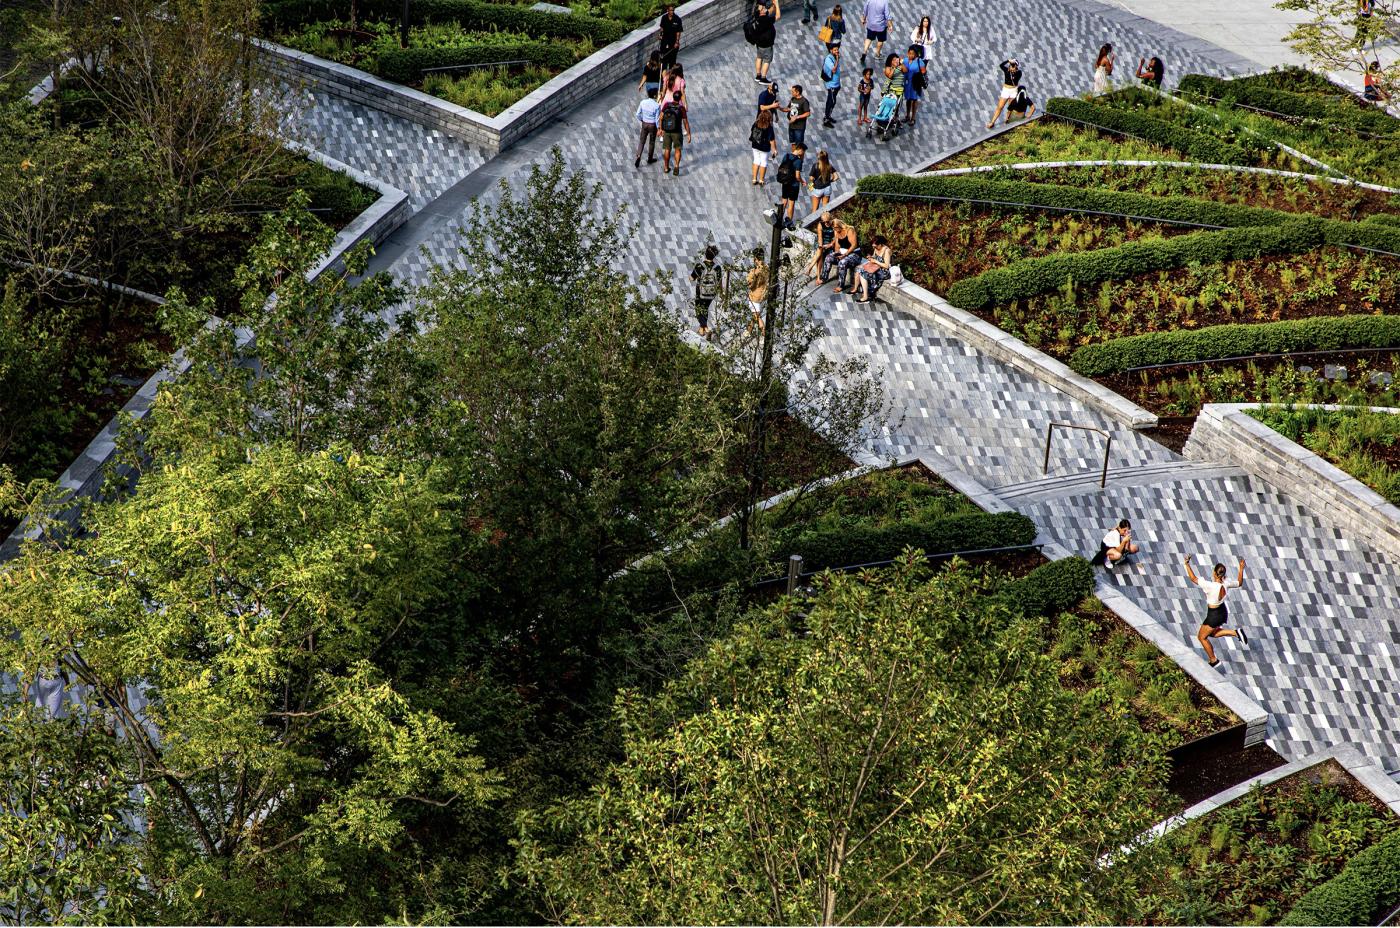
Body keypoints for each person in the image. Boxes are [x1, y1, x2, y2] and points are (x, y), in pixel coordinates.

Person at [1184, 555, 1248, 667]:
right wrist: (1241, 568)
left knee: (1201, 637)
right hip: (1222, 612)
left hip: (1213, 616)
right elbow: (1239, 582)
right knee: (1212, 633)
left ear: (1214, 573)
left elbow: (1193, 578)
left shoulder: (1210, 586)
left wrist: (1186, 564)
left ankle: (1214, 660)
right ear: (1223, 574)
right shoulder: (1226, 583)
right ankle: (1236, 633)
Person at [690, 244, 722, 337]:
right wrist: (721, 292)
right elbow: (719, 282)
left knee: (699, 309)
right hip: (712, 293)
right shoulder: (717, 268)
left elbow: (692, 278)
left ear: (705, 254)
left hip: (701, 293)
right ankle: (701, 330)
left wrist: (691, 277)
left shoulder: (700, 266)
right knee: (705, 309)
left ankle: (706, 328)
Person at [659, 89, 691, 176]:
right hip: (677, 132)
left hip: (667, 131)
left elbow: (661, 117)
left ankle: (666, 167)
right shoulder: (681, 108)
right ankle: (676, 166)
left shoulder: (666, 105)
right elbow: (685, 122)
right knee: (677, 149)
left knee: (667, 149)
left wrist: (660, 129)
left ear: (673, 97)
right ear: (680, 98)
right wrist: (688, 134)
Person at [986, 56, 1023, 128]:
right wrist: (1008, 61)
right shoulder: (1006, 70)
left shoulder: (1019, 73)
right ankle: (992, 122)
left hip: (1013, 90)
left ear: (1016, 67)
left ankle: (1007, 120)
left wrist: (1013, 69)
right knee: (1000, 107)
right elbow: (1001, 65)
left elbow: (1015, 79)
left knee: (1010, 107)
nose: (1012, 70)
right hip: (1006, 90)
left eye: (1014, 68)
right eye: (1011, 67)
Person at [776, 141, 806, 227]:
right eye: (803, 151)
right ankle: (789, 221)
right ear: (800, 150)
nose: (803, 153)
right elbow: (797, 176)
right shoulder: (799, 161)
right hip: (794, 185)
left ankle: (779, 218)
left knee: (784, 201)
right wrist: (802, 181)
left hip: (785, 182)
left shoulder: (787, 155)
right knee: (791, 203)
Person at [854, 233, 891, 303]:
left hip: (883, 271)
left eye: (876, 246)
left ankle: (865, 296)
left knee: (863, 273)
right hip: (876, 267)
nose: (874, 248)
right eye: (873, 246)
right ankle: (859, 289)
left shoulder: (886, 251)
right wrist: (870, 258)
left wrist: (875, 261)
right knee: (859, 269)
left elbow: (886, 265)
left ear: (880, 244)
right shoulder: (876, 248)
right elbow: (874, 257)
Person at [825, 219, 860, 290]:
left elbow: (854, 245)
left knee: (842, 262)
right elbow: (837, 246)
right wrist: (837, 253)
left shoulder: (849, 230)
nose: (834, 229)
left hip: (854, 254)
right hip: (843, 253)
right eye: (833, 228)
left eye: (835, 228)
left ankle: (840, 285)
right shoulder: (836, 232)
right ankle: (824, 278)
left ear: (840, 225)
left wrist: (845, 255)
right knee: (828, 257)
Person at [753, 0, 780, 84]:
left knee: (759, 57)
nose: (765, 8)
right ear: (761, 11)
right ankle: (763, 78)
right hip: (767, 44)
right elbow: (778, 16)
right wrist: (777, 4)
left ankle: (758, 76)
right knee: (767, 60)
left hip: (759, 43)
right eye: (763, 8)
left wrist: (773, 5)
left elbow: (770, 11)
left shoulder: (757, 15)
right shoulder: (766, 20)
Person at [633, 88, 661, 168]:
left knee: (642, 141)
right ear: (655, 95)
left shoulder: (643, 102)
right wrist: (658, 128)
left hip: (644, 124)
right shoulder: (657, 106)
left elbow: (638, 114)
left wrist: (642, 120)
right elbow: (657, 119)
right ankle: (650, 158)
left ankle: (638, 155)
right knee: (651, 142)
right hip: (652, 125)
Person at [806, 211, 837, 281]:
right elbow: (820, 237)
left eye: (827, 221)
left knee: (820, 253)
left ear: (830, 219)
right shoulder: (820, 224)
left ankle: (810, 268)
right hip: (821, 241)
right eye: (824, 221)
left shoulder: (834, 224)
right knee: (820, 254)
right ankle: (818, 277)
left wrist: (830, 244)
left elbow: (836, 237)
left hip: (830, 242)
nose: (825, 223)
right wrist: (821, 245)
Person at [860, 0, 890, 66]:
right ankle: (877, 54)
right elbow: (887, 15)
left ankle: (864, 51)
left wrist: (863, 19)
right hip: (881, 25)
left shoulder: (869, 0)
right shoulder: (884, 2)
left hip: (871, 24)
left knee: (869, 38)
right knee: (880, 40)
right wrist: (890, 25)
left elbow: (865, 11)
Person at [750, 109, 776, 184]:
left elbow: (752, 131)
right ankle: (761, 180)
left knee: (756, 160)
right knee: (763, 162)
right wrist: (774, 150)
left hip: (755, 145)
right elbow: (771, 140)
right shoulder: (769, 127)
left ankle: (754, 179)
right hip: (764, 147)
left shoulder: (756, 123)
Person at [902, 43, 926, 124]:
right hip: (907, 84)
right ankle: (907, 116)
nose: (911, 55)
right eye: (909, 53)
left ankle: (913, 118)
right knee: (908, 100)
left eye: (913, 54)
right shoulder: (905, 61)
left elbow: (923, 72)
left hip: (915, 84)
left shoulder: (920, 62)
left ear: (916, 54)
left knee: (914, 100)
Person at [807, 148, 837, 212]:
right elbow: (836, 177)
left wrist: (811, 183)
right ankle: (825, 220)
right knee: (825, 209)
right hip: (827, 188)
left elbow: (811, 178)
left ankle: (815, 222)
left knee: (815, 209)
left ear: (819, 158)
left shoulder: (815, 166)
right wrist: (830, 181)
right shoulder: (829, 166)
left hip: (817, 188)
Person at [747, 248, 769, 332]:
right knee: (755, 315)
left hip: (755, 296)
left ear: (755, 258)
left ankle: (764, 333)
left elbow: (750, 283)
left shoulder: (756, 270)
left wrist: (752, 273)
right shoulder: (767, 268)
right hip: (763, 295)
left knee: (757, 317)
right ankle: (749, 330)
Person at [821, 44, 841, 128]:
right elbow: (833, 70)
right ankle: (826, 119)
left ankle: (828, 116)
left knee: (831, 101)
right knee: (831, 101)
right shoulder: (829, 59)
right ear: (831, 50)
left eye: (837, 50)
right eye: (835, 50)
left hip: (836, 84)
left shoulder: (834, 57)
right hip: (831, 85)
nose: (837, 51)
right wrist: (837, 59)